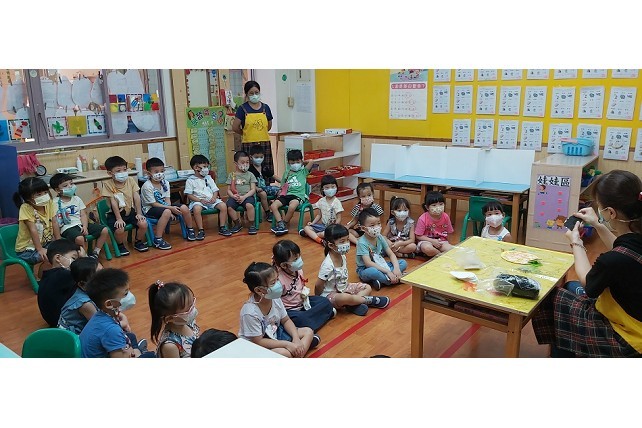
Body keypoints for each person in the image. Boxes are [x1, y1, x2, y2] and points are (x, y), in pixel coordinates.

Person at [532, 170, 642, 357]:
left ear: (611, 212)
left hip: (629, 339)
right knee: (570, 286)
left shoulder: (612, 261)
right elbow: (623, 248)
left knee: (551, 299)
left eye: (600, 206)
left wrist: (576, 241)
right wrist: (598, 223)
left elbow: (588, 283)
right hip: (634, 318)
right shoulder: (632, 242)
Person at [239, 261, 319, 357]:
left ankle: (296, 351)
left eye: (277, 279)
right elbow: (259, 341)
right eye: (273, 283)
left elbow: (286, 320)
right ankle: (298, 351)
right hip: (257, 346)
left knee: (308, 331)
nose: (279, 284)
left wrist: (296, 339)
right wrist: (287, 344)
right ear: (259, 290)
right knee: (284, 353)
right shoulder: (250, 313)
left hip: (276, 333)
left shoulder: (275, 298)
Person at [316, 224, 390, 316]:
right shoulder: (327, 265)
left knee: (367, 287)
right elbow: (318, 285)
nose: (347, 243)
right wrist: (319, 301)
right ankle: (367, 300)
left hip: (344, 288)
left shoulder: (342, 256)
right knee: (343, 298)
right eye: (342, 241)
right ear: (331, 245)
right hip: (332, 295)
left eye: (347, 239)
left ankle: (352, 303)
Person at [80, 268, 153, 358]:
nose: (130, 295)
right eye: (125, 294)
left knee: (131, 336)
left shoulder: (100, 315)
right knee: (152, 356)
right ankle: (139, 353)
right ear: (109, 304)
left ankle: (138, 351)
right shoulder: (112, 330)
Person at [272, 239, 334, 332]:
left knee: (325, 301)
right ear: (284, 265)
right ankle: (317, 320)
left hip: (303, 302)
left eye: (299, 256)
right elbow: (275, 302)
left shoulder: (298, 270)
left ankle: (312, 323)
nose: (299, 260)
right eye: (295, 259)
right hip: (290, 311)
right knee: (301, 319)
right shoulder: (279, 280)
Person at [50, 173, 109, 259]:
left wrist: (85, 226)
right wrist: (57, 237)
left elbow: (83, 214)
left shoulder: (77, 199)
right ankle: (85, 257)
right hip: (67, 228)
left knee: (104, 230)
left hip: (80, 224)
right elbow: (54, 221)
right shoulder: (54, 202)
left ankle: (96, 252)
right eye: (65, 185)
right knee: (79, 238)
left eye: (71, 183)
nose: (70, 186)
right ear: (57, 190)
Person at [141, 157, 196, 247]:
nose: (160, 174)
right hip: (150, 209)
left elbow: (167, 199)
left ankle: (190, 229)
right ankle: (158, 239)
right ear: (148, 173)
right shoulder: (147, 186)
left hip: (165, 206)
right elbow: (153, 204)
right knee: (166, 212)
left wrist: (170, 208)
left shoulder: (165, 183)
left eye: (162, 171)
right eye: (156, 172)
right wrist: (170, 209)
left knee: (184, 208)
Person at [101, 155, 149, 255]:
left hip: (129, 211)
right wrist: (118, 218)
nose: (122, 173)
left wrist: (139, 213)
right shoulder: (107, 184)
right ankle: (120, 245)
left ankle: (138, 241)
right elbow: (113, 202)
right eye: (118, 171)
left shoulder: (130, 180)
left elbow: (136, 197)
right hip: (115, 214)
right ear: (110, 173)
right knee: (120, 228)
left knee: (143, 223)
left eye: (124, 169)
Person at [13, 177, 61, 267]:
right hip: (27, 250)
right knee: (51, 256)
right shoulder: (26, 208)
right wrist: (40, 249)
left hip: (45, 243)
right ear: (28, 198)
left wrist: (59, 241)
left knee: (63, 250)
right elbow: (33, 230)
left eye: (46, 192)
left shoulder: (49, 203)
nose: (44, 196)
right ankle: (44, 275)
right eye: (39, 194)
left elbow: (54, 222)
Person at [355, 208, 407, 290]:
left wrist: (396, 268)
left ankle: (384, 280)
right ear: (363, 228)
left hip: (381, 265)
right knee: (373, 272)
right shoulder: (362, 242)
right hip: (366, 268)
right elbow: (368, 263)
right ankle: (395, 279)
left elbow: (391, 254)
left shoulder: (379, 237)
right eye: (372, 225)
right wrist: (388, 271)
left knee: (403, 262)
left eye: (378, 223)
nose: (377, 227)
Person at [148, 280, 200, 358]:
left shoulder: (189, 323)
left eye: (192, 303)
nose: (193, 309)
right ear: (170, 318)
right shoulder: (170, 346)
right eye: (188, 308)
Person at [232, 80, 274, 174]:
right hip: (248, 144)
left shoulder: (265, 108)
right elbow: (235, 127)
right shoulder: (242, 109)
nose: (254, 95)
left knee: (266, 171)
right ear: (247, 94)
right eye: (251, 93)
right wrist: (245, 133)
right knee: (249, 171)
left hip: (264, 143)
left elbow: (269, 125)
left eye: (256, 92)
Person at [184, 154, 231, 239]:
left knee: (223, 206)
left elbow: (215, 190)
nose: (206, 169)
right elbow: (189, 195)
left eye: (207, 166)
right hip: (198, 201)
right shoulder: (190, 180)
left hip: (211, 200)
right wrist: (199, 200)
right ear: (196, 167)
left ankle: (222, 227)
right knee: (196, 209)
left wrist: (214, 197)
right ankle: (201, 230)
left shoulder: (208, 178)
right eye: (204, 166)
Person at [37, 239, 80, 327]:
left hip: (52, 319)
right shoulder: (63, 275)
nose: (76, 263)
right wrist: (85, 257)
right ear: (58, 258)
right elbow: (91, 276)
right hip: (62, 323)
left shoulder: (49, 273)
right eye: (73, 258)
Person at [58, 257, 103, 334]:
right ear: (82, 284)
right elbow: (100, 326)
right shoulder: (86, 304)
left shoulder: (90, 290)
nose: (105, 277)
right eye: (98, 277)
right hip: (72, 337)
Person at [270, 149, 309, 236]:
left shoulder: (303, 172)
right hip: (286, 195)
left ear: (301, 161)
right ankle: (280, 223)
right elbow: (283, 186)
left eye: (297, 162)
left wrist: (302, 162)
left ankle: (284, 223)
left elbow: (312, 161)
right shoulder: (287, 173)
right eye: (292, 162)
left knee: (292, 206)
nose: (295, 164)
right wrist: (279, 194)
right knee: (273, 206)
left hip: (298, 195)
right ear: (288, 163)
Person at [300, 174, 344, 246]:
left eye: (333, 187)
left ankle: (311, 235)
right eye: (327, 187)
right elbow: (319, 215)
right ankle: (320, 240)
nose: (330, 189)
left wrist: (334, 227)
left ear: (336, 187)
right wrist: (313, 223)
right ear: (322, 189)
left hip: (333, 228)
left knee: (324, 233)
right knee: (306, 228)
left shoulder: (337, 202)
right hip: (323, 226)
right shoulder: (321, 201)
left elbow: (339, 218)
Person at [225, 150, 258, 235]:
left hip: (247, 196)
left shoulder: (250, 175)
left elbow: (253, 189)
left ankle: (251, 225)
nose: (245, 164)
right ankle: (237, 223)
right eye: (242, 162)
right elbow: (228, 190)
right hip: (235, 197)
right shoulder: (232, 175)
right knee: (229, 207)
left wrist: (244, 197)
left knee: (249, 206)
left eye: (247, 162)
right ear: (236, 163)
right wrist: (233, 196)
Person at [415, 191, 454, 257]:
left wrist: (447, 244)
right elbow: (418, 236)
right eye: (434, 205)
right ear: (427, 207)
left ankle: (435, 255)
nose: (438, 207)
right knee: (427, 248)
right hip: (426, 241)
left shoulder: (446, 216)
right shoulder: (422, 218)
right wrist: (432, 241)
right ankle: (440, 256)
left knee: (451, 249)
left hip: (441, 241)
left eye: (441, 204)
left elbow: (449, 232)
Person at [248, 144, 280, 222]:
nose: (259, 159)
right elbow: (248, 183)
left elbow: (273, 176)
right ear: (251, 157)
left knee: (280, 191)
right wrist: (256, 188)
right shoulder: (249, 169)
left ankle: (275, 209)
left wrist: (284, 182)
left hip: (265, 188)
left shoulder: (264, 167)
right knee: (263, 194)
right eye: (256, 157)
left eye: (261, 157)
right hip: (254, 189)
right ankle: (268, 213)